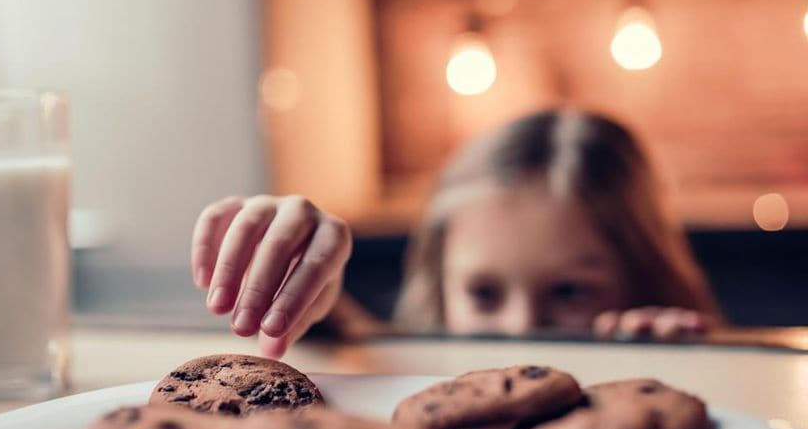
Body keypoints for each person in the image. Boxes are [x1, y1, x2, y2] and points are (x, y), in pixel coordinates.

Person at [190, 108, 719, 358]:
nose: (520, 330)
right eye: (483, 293)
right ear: (438, 283)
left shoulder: (664, 359)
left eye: (569, 291)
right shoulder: (418, 381)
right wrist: (306, 290)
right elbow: (366, 347)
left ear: (642, 272)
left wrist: (680, 359)